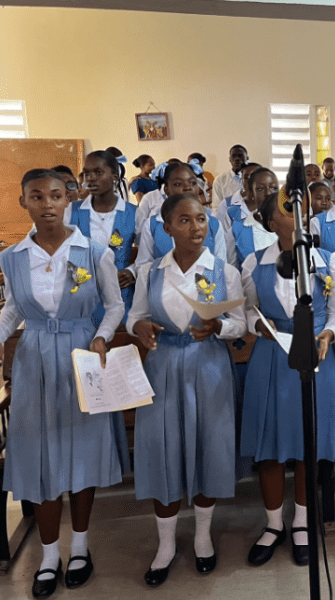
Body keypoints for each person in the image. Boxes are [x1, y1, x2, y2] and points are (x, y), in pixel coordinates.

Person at [0, 169, 126, 598]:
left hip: (79, 352)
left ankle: (81, 548)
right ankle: (49, 555)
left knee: (82, 452)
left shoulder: (91, 251)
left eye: (56, 195)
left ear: (69, 198)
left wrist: (101, 335)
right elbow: (13, 310)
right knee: (41, 457)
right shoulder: (12, 257)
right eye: (37, 196)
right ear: (25, 203)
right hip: (34, 357)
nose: (48, 204)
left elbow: (114, 306)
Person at [128, 193, 246, 586]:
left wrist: (219, 327)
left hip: (207, 366)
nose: (196, 227)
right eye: (184, 220)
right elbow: (135, 318)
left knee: (206, 447)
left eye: (201, 219)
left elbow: (240, 323)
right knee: (164, 449)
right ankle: (165, 545)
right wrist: (139, 329)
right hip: (162, 368)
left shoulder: (223, 271)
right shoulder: (151, 272)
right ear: (166, 229)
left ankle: (201, 537)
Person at [240, 190, 335, 567]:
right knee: (270, 447)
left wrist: (329, 335)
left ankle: (301, 522)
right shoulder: (254, 263)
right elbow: (247, 312)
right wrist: (259, 327)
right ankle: (272, 525)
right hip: (272, 358)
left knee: (307, 446)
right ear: (272, 223)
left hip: (315, 354)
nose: (299, 212)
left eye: (301, 206)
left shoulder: (329, 261)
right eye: (288, 208)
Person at [66, 150, 137, 322]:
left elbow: (147, 254)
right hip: (82, 295)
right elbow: (59, 249)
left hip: (120, 292)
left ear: (114, 176)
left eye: (98, 173)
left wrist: (132, 271)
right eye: (87, 173)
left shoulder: (133, 213)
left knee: (119, 343)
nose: (90, 178)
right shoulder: (72, 211)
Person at [135, 162, 226, 274]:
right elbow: (143, 266)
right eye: (178, 184)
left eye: (193, 183)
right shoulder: (152, 225)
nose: (187, 188)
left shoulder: (213, 223)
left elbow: (221, 266)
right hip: (165, 287)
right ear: (167, 189)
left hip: (204, 288)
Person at [224, 167, 279, 270]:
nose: (268, 193)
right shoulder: (237, 230)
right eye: (260, 189)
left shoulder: (291, 225)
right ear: (251, 194)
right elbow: (232, 271)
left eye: (273, 188)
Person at [212, 145, 248, 210]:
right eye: (234, 156)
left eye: (240, 156)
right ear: (230, 159)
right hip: (228, 219)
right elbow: (216, 208)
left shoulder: (253, 179)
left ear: (247, 158)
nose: (237, 159)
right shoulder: (220, 181)